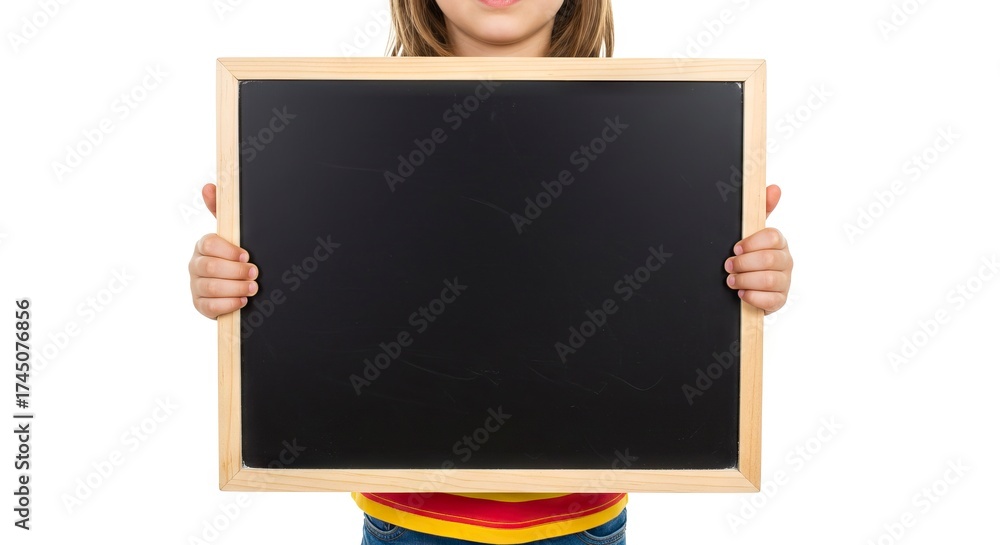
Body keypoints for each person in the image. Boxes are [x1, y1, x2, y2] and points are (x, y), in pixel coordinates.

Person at [189, 0, 794, 543]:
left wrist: (751, 278)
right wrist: (229, 281)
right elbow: (325, 296)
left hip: (581, 526)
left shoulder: (647, 130)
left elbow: (665, 298)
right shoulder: (339, 129)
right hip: (410, 525)